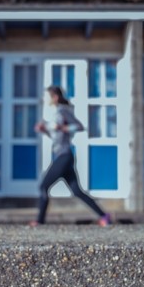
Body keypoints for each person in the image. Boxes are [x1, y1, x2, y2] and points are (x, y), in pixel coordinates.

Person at [30, 85, 112, 227]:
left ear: (55, 97)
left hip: (64, 156)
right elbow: (57, 136)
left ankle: (39, 221)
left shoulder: (63, 111)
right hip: (61, 155)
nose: (46, 99)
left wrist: (63, 128)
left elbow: (79, 126)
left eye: (48, 96)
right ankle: (104, 216)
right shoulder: (56, 113)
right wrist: (44, 130)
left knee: (43, 186)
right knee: (77, 191)